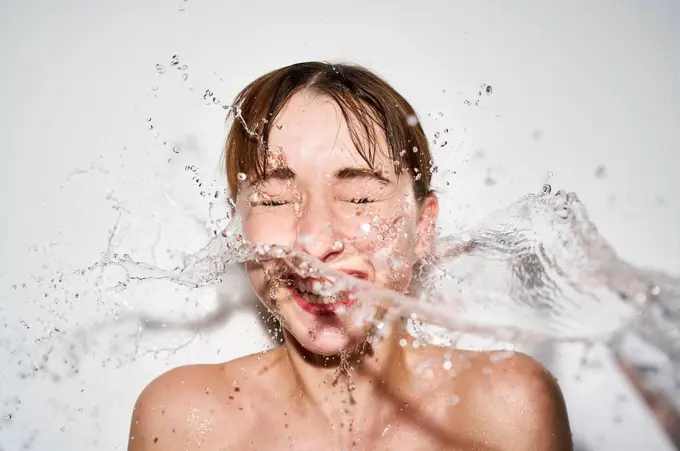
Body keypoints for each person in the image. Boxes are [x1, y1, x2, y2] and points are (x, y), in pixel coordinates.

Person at [127, 61, 573, 450]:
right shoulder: (184, 422)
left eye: (360, 197)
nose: (314, 240)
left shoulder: (508, 406)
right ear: (238, 227)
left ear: (423, 228)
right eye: (275, 200)